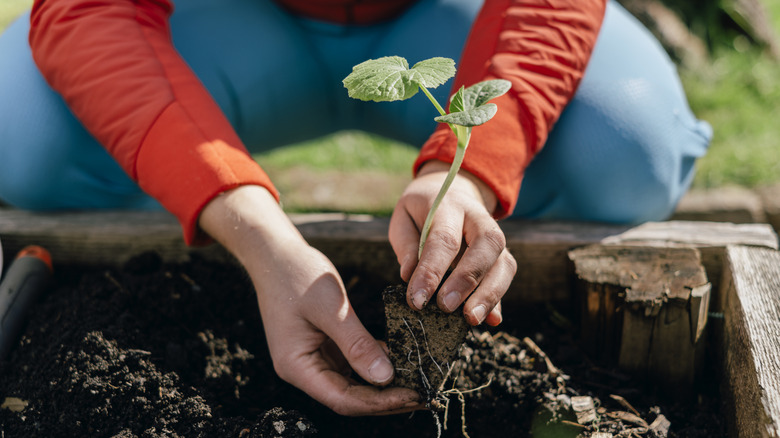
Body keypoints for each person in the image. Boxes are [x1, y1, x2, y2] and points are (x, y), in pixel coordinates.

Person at [0, 0, 711, 416]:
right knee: (21, 138)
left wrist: (467, 174)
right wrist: (255, 234)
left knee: (628, 151)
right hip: (228, 21)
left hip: (440, 20)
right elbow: (88, 11)